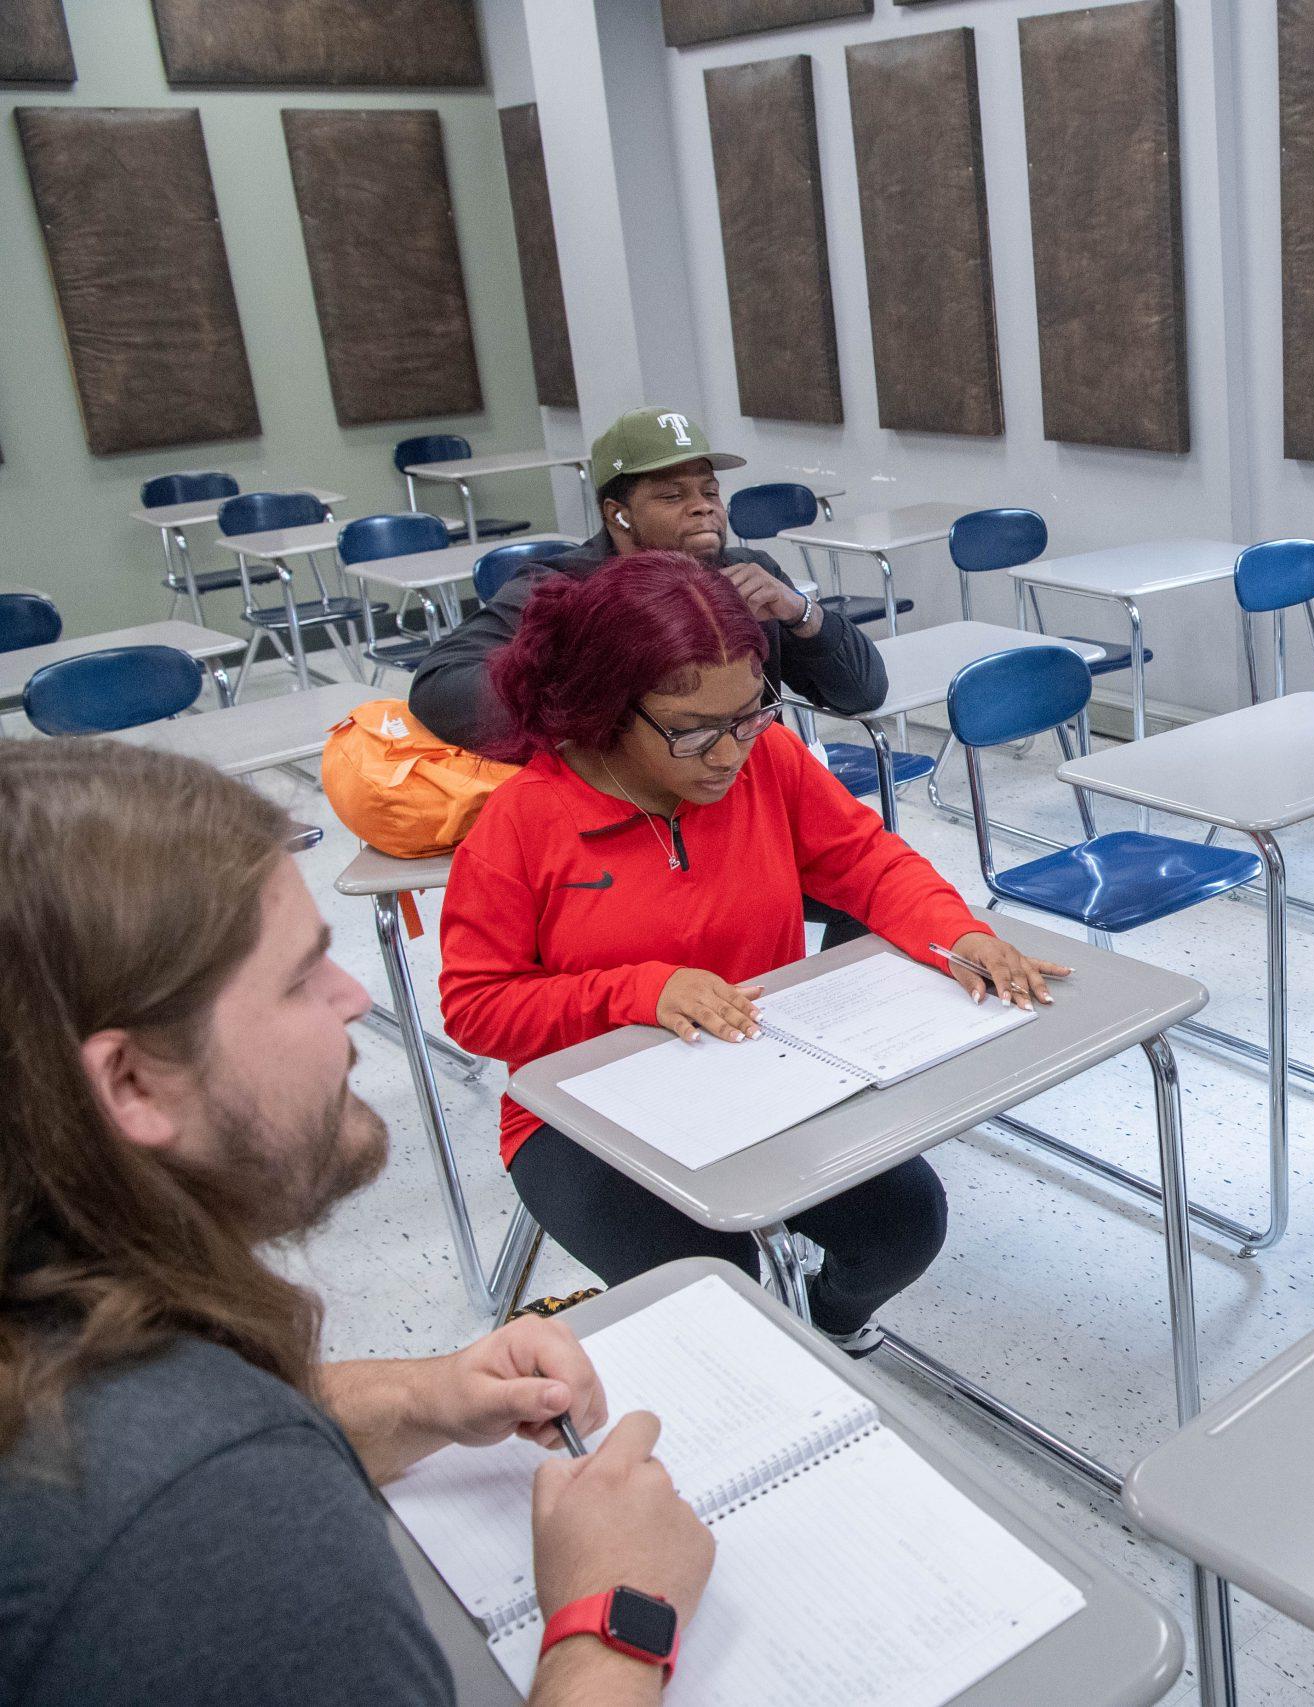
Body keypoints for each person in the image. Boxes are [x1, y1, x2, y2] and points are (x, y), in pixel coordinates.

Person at [0, 741, 715, 1705]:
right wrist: (615, 1619)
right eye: (302, 976)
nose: (356, 998)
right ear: (130, 1081)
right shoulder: (205, 1509)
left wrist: (422, 1398)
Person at [439, 553, 1064, 1352]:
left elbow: (868, 863)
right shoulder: (524, 822)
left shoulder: (765, 762)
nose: (729, 753)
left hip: (761, 1076)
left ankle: (818, 1334)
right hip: (583, 1115)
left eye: (749, 713)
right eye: (692, 730)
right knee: (716, 1271)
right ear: (604, 706)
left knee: (905, 1225)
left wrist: (961, 934)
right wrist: (637, 992)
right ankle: (759, 1349)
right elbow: (476, 1005)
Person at [410, 407, 887, 948]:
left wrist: (801, 613)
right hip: (630, 835)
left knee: (867, 889)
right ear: (619, 514)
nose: (702, 505)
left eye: (709, 490)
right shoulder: (567, 591)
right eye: (672, 495)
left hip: (740, 818)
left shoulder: (749, 577)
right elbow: (439, 686)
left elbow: (864, 692)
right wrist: (598, 711)